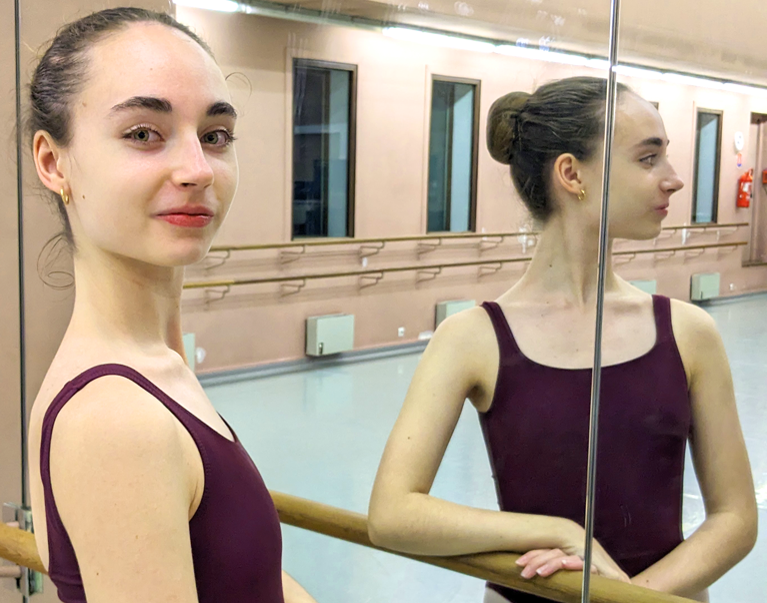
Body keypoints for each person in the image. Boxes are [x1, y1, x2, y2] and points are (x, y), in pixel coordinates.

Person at [368, 77, 757, 602]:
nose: (674, 179)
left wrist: (629, 597)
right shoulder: (471, 339)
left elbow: (735, 517)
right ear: (572, 174)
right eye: (648, 159)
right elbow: (392, 513)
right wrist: (560, 532)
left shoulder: (689, 333)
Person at [25, 8, 315, 603]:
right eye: (143, 134)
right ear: (54, 163)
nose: (198, 170)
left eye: (215, 136)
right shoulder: (116, 419)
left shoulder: (157, 363)